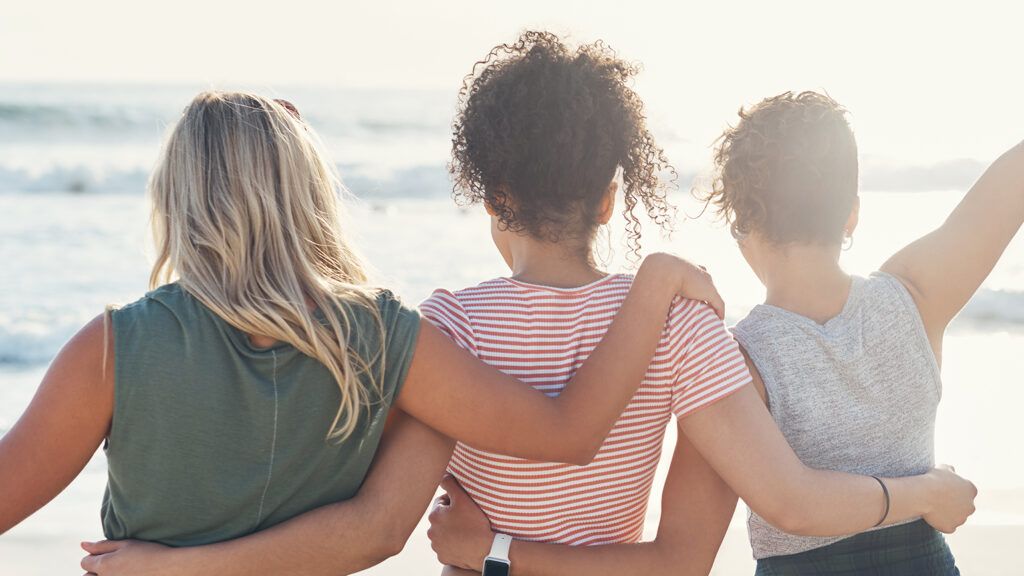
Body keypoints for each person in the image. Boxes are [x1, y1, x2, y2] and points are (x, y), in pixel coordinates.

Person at [75, 34, 977, 576]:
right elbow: (679, 565)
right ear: (612, 198)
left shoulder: (450, 330)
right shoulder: (683, 327)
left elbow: (378, 524)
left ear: (490, 194)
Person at [0, 90, 721, 572]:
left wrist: (171, 566)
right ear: (307, 190)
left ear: (178, 199)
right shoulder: (382, 337)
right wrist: (653, 284)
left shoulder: (112, 349)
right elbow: (558, 438)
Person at [709, 91, 1021, 574]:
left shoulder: (740, 358)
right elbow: (1013, 180)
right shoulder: (913, 296)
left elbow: (795, 508)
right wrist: (926, 493)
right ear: (851, 213)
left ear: (744, 222)